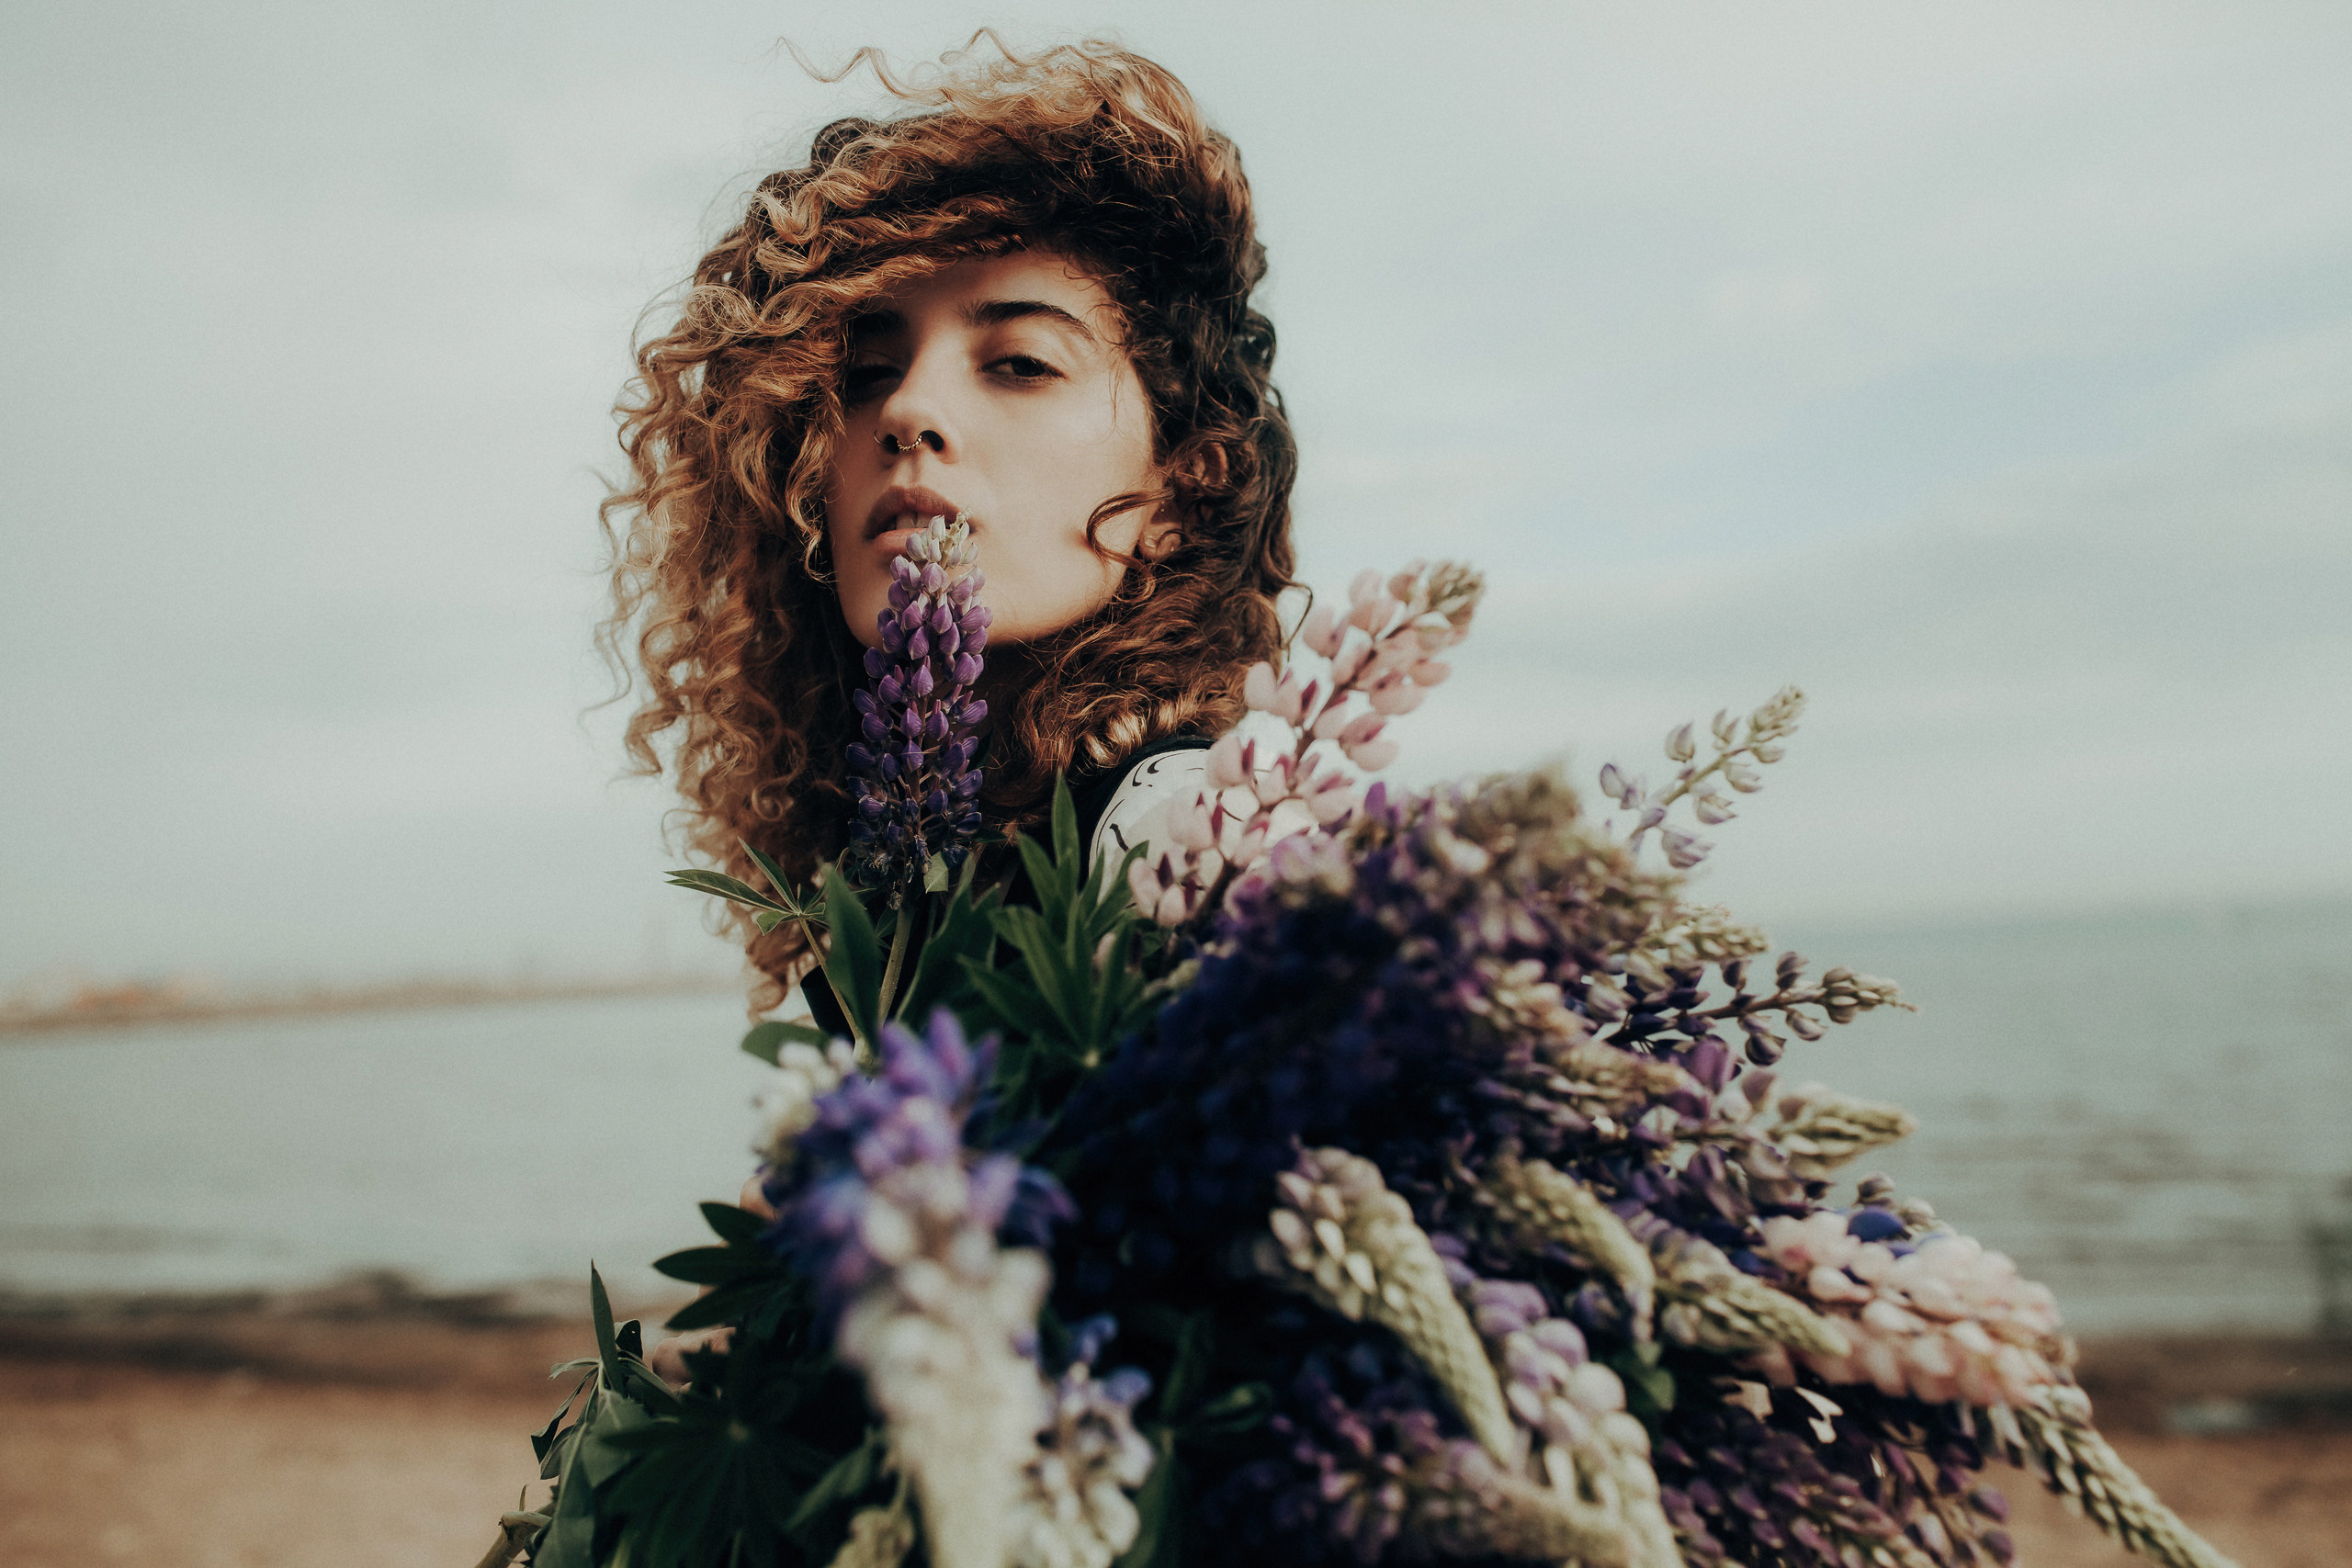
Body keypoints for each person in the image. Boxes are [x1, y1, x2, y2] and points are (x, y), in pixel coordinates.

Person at [601, 36, 1300, 1028]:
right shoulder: (921, 876)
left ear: (1180, 492)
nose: (907, 411)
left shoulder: (1199, 841)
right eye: (864, 374)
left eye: (1018, 363)